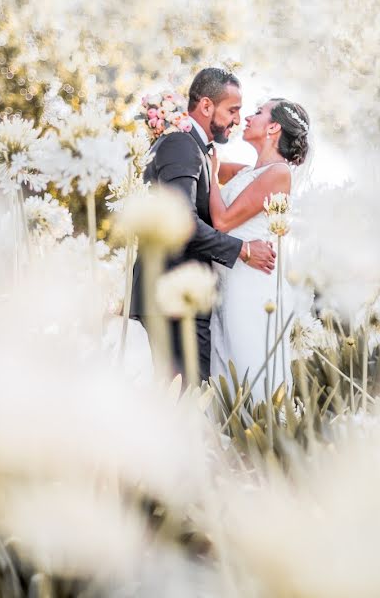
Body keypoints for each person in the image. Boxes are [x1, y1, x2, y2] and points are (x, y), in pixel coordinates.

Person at [129, 68, 277, 381]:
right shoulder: (182, 145)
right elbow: (181, 222)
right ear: (207, 106)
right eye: (233, 110)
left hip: (177, 297)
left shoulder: (195, 148)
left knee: (185, 399)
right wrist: (244, 250)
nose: (237, 120)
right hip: (171, 297)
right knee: (186, 402)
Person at [208, 98, 311, 402]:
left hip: (252, 288)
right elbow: (202, 157)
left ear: (274, 126)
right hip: (230, 283)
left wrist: (214, 176)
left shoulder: (279, 173)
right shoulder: (246, 173)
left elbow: (223, 220)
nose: (248, 117)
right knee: (227, 372)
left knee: (250, 369)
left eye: (257, 112)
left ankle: (264, 436)